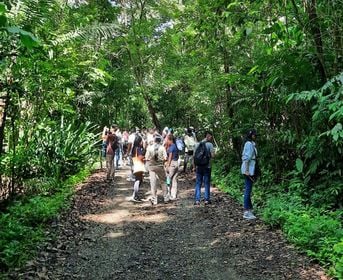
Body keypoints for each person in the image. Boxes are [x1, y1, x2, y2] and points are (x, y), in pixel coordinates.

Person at [194, 131, 215, 206]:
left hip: (199, 166)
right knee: (206, 183)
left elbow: (195, 156)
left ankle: (197, 200)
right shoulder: (210, 145)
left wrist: (194, 166)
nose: (211, 137)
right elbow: (213, 156)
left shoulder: (197, 144)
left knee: (198, 183)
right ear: (208, 136)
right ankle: (206, 200)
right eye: (210, 136)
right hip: (207, 166)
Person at [241, 129, 258, 220]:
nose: (255, 136)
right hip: (249, 170)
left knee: (249, 189)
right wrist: (247, 170)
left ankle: (249, 209)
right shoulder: (248, 144)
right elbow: (247, 158)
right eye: (254, 135)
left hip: (251, 169)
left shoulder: (251, 143)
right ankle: (246, 211)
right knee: (248, 190)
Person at [145, 136, 168, 205]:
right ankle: (166, 197)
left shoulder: (149, 148)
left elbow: (146, 158)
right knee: (163, 181)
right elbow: (165, 158)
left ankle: (154, 199)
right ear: (160, 141)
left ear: (154, 141)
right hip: (160, 166)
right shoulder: (162, 148)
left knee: (153, 183)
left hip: (152, 167)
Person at [131, 135, 145, 201]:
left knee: (138, 179)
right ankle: (135, 195)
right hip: (138, 165)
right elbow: (140, 157)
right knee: (138, 180)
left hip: (135, 165)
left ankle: (135, 194)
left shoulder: (134, 148)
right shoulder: (138, 149)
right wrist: (144, 155)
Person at [165, 134, 179, 201]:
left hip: (172, 164)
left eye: (167, 139)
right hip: (176, 163)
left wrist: (167, 166)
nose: (166, 141)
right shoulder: (175, 146)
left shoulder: (171, 147)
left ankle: (168, 194)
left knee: (168, 179)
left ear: (170, 140)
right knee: (174, 180)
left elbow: (170, 157)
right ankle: (174, 195)